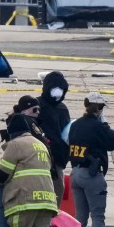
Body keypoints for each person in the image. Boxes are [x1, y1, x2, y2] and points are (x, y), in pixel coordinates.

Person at [68, 91, 114, 227]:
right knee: (97, 216)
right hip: (91, 174)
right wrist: (104, 124)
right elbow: (113, 142)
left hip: (75, 173)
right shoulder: (98, 126)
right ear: (99, 109)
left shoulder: (75, 125)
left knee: (80, 216)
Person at [37, 71, 71, 207]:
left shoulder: (62, 109)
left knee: (56, 195)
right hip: (39, 158)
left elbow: (67, 135)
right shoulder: (37, 105)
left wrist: (64, 158)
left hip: (57, 161)